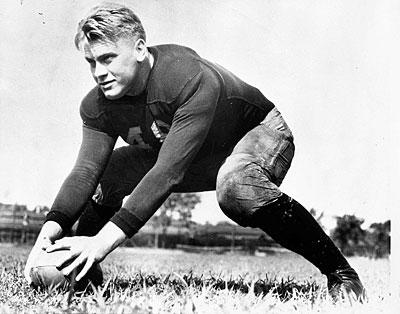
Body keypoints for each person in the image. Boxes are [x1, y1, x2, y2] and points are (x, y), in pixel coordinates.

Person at [24, 3, 365, 301]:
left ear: (140, 49)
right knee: (107, 174)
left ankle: (341, 273)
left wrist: (101, 242)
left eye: (108, 58)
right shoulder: (98, 105)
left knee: (236, 187)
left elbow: (168, 171)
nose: (99, 72)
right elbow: (85, 171)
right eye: (91, 62)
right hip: (193, 154)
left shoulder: (186, 76)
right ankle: (80, 273)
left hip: (255, 133)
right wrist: (48, 234)